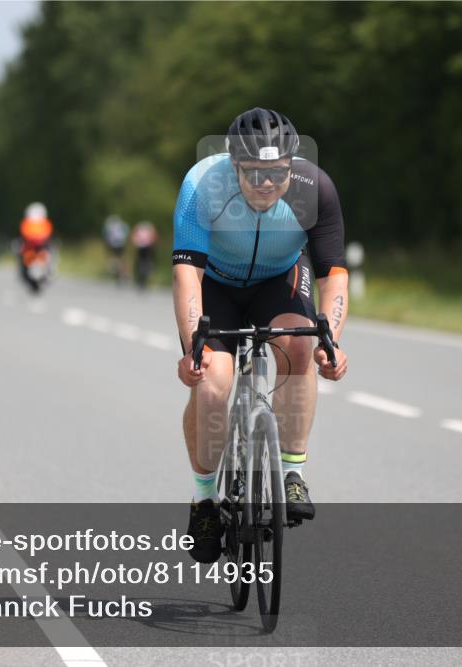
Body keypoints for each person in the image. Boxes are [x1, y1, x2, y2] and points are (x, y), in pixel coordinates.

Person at [171, 107, 349, 563]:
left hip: (280, 280)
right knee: (212, 382)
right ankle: (205, 499)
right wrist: (193, 346)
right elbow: (187, 275)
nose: (266, 183)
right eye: (253, 173)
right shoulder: (201, 186)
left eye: (277, 172)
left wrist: (332, 342)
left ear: (292, 164)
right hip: (217, 285)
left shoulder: (315, 189)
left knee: (300, 346)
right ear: (234, 166)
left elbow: (333, 276)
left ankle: (292, 472)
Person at [18, 202, 54, 287]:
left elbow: (49, 236)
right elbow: (23, 236)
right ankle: (25, 275)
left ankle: (49, 273)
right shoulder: (27, 224)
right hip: (30, 249)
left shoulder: (45, 224)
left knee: (50, 257)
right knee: (21, 257)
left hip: (41, 249)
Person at [131, 221, 158, 289]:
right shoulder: (148, 227)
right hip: (145, 247)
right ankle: (141, 277)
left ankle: (141, 277)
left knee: (142, 262)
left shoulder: (141, 227)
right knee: (142, 262)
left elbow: (133, 236)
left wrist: (136, 243)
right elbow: (154, 236)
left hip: (144, 247)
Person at [102, 214, 129, 284]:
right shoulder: (122, 225)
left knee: (112, 257)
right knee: (122, 258)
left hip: (112, 244)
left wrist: (106, 244)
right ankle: (124, 273)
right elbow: (126, 233)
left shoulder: (108, 226)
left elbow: (105, 236)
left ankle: (114, 269)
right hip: (121, 243)